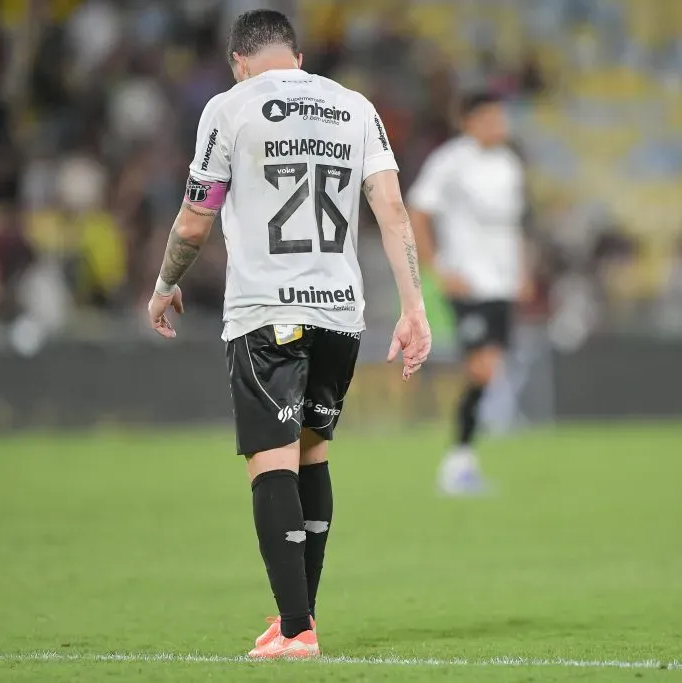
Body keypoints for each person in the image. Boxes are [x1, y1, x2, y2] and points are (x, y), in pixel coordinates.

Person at [146, 10, 430, 659]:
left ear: (238, 60)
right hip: (340, 313)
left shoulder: (229, 105)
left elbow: (195, 222)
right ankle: (296, 619)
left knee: (271, 461)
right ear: (297, 57)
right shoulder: (355, 106)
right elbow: (389, 207)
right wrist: (413, 305)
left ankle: (297, 630)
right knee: (312, 455)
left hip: (266, 311)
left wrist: (165, 285)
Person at [408, 93, 527, 496]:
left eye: (501, 116)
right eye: (490, 117)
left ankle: (462, 459)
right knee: (481, 367)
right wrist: (437, 269)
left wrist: (523, 272)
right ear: (469, 121)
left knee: (488, 367)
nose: (499, 124)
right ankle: (457, 462)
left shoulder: (509, 165)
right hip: (469, 281)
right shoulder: (450, 161)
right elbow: (418, 210)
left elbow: (513, 226)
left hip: (502, 283)